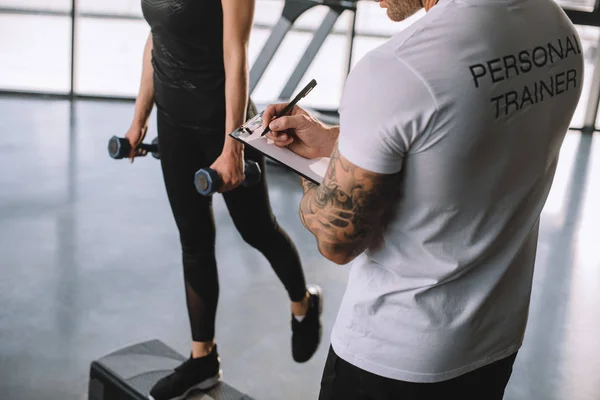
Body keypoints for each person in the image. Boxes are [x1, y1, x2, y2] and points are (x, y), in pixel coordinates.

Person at [262, 0, 584, 398]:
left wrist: (308, 170)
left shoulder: (398, 68)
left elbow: (336, 239)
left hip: (395, 355)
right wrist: (337, 141)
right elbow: (458, 142)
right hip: (493, 342)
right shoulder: (557, 30)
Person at [126, 1, 323, 399]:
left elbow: (236, 53)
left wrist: (232, 147)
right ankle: (203, 358)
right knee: (193, 240)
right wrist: (139, 118)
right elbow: (157, 36)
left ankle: (303, 303)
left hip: (223, 123)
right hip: (174, 122)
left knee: (258, 230)